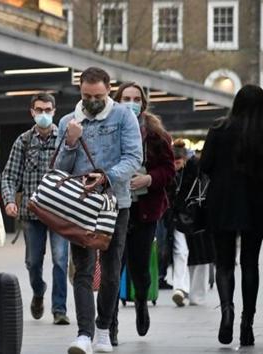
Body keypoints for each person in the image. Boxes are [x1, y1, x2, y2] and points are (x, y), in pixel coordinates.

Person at [55, 67, 142, 354]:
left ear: (108, 90)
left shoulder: (124, 117)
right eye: (86, 95)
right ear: (80, 91)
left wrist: (105, 176)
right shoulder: (68, 121)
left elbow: (133, 157)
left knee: (111, 269)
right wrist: (70, 141)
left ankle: (104, 328)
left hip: (117, 203)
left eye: (98, 96)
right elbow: (58, 169)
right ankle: (84, 333)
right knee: (82, 269)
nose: (92, 101)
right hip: (80, 206)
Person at [200, 84, 263, 346]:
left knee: (224, 264)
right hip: (254, 202)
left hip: (221, 201)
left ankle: (227, 310)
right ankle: (248, 323)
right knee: (250, 264)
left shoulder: (218, 128)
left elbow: (206, 165)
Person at [112, 82, 174, 341]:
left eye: (136, 98)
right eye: (126, 97)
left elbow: (169, 170)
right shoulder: (109, 129)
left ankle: (141, 301)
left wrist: (149, 179)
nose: (131, 102)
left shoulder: (156, 135)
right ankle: (109, 322)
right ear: (117, 100)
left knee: (140, 268)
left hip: (145, 210)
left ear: (143, 103)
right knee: (113, 266)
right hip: (114, 208)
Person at [1, 92, 70, 325]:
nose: (43, 114)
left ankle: (59, 309)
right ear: (32, 112)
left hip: (59, 213)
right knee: (33, 261)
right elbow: (9, 175)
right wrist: (10, 200)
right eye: (39, 110)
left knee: (61, 259)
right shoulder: (23, 141)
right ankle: (38, 291)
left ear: (54, 111)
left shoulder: (64, 140)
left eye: (47, 110)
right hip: (32, 213)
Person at [165, 140, 214, 308]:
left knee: (191, 255)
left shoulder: (194, 168)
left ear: (184, 159)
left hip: (192, 216)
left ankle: (187, 291)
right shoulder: (185, 170)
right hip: (188, 217)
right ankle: (186, 291)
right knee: (186, 253)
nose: (175, 166)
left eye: (177, 162)